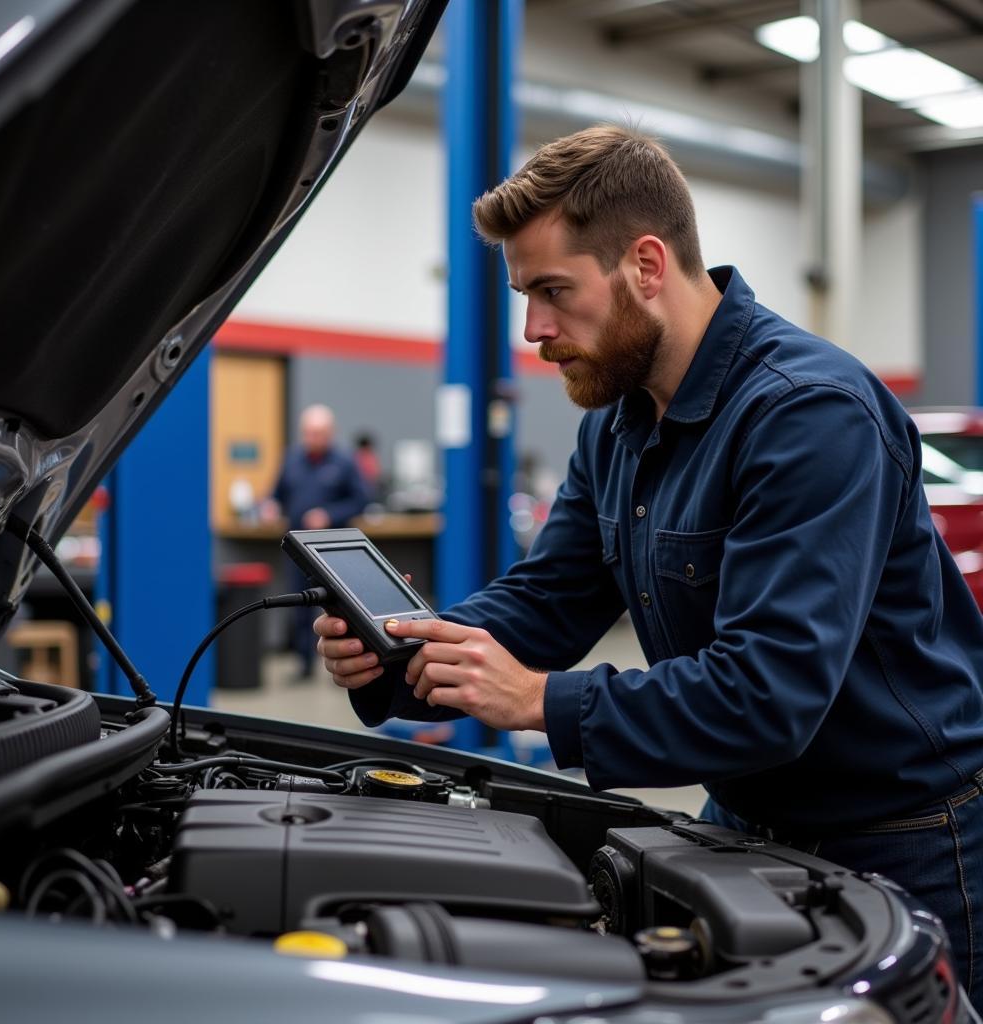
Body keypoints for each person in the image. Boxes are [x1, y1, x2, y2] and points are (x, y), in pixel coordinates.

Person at [313, 125, 983, 1004]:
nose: (535, 331)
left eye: (553, 292)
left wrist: (540, 700)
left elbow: (767, 693)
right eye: (524, 295)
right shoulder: (617, 425)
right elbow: (549, 597)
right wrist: (408, 658)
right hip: (748, 819)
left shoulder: (809, 414)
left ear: (647, 264)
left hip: (904, 839)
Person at [266, 404, 367, 677]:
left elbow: (361, 500)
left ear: (330, 433)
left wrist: (329, 514)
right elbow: (277, 494)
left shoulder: (344, 461)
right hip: (298, 549)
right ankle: (304, 666)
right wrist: (271, 506)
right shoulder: (291, 459)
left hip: (333, 550)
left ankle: (352, 663)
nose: (312, 438)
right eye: (308, 433)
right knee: (300, 606)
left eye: (318, 433)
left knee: (343, 608)